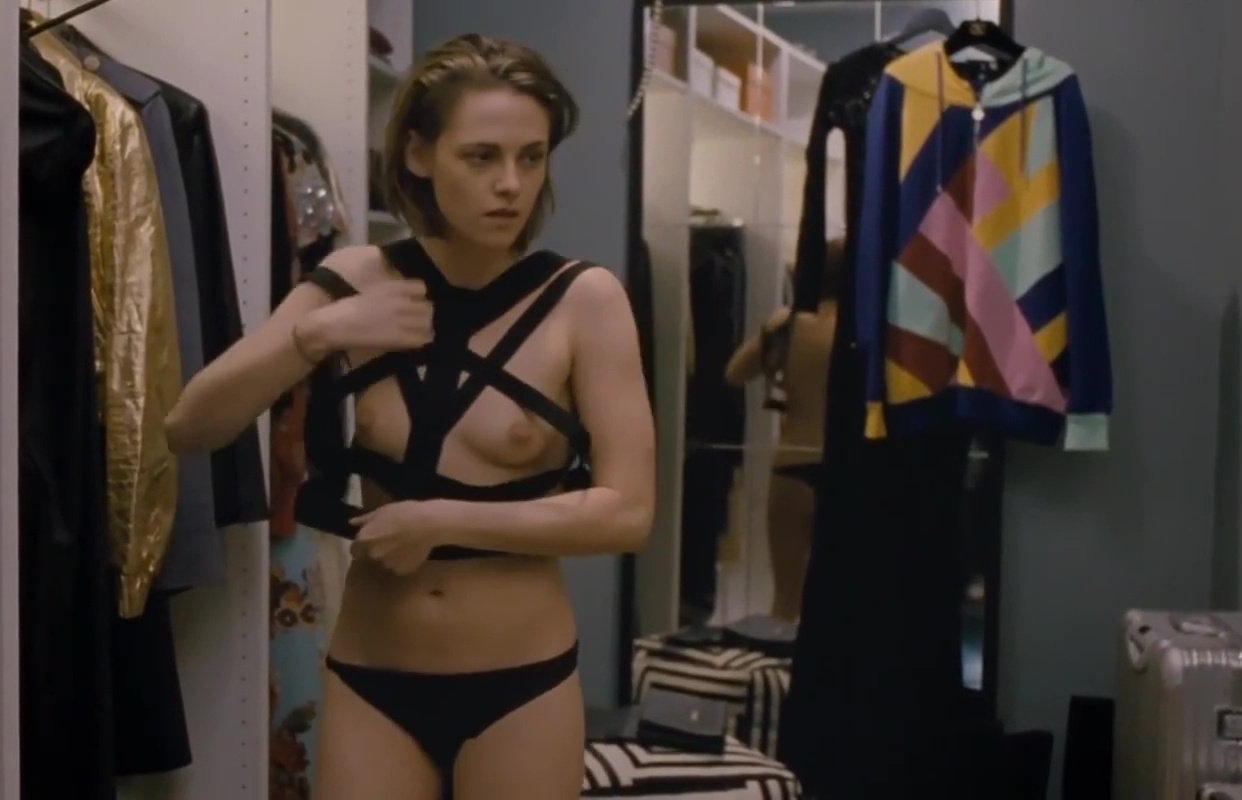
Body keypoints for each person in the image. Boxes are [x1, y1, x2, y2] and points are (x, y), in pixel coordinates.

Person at [165, 33, 654, 800]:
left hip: (520, 683)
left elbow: (627, 513)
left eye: (531, 157)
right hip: (373, 678)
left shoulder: (584, 301)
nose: (511, 185)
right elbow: (190, 426)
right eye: (482, 156)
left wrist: (443, 520)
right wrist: (316, 334)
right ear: (420, 154)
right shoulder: (358, 278)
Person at [723, 238, 845, 622]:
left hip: (793, 462)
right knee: (847, 594)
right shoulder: (869, 328)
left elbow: (734, 373)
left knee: (787, 599)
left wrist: (773, 339)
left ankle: (782, 660)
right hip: (848, 466)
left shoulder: (789, 324)